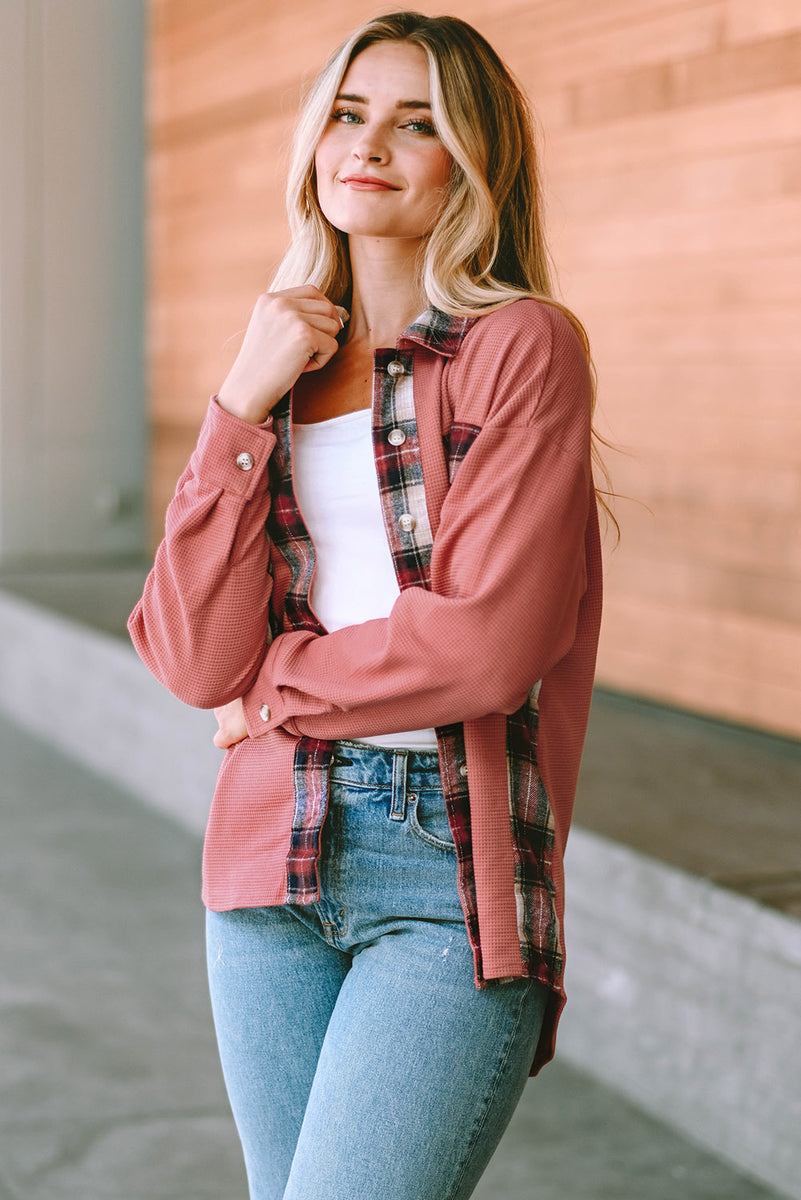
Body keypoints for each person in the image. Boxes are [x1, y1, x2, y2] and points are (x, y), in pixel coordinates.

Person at [129, 11, 607, 1199]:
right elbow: (191, 658)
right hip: (262, 860)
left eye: (418, 123)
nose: (371, 145)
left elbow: (486, 649)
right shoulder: (279, 371)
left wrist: (273, 691)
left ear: (473, 161)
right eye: (350, 112)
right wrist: (239, 401)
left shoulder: (519, 350)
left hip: (443, 859)